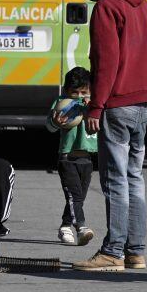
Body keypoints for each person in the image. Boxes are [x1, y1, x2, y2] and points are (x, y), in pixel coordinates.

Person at [70, 0, 147, 272]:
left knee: (115, 180)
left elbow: (105, 62)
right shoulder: (141, 2)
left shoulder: (107, 7)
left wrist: (96, 106)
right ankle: (136, 251)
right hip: (143, 101)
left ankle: (113, 252)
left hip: (118, 103)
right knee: (134, 177)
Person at [46, 67, 97, 246]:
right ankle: (81, 227)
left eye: (84, 92)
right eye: (74, 92)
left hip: (87, 159)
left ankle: (65, 226)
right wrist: (55, 122)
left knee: (78, 198)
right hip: (67, 158)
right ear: (66, 91)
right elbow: (50, 127)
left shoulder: (93, 105)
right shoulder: (62, 103)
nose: (79, 96)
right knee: (74, 195)